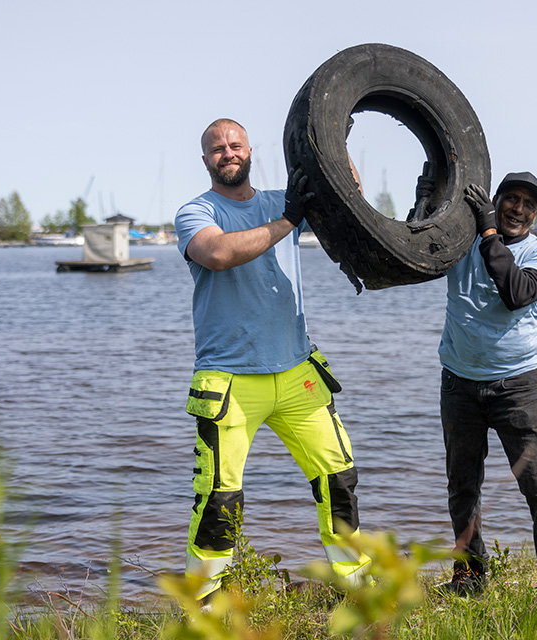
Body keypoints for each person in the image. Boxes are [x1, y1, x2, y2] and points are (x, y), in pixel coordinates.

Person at [174, 118, 371, 603]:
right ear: (206, 161)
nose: (227, 152)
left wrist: (333, 136)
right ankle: (203, 608)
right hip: (230, 382)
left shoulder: (281, 199)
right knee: (219, 501)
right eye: (217, 148)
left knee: (339, 481)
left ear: (249, 151)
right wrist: (288, 221)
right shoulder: (196, 212)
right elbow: (218, 253)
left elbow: (347, 192)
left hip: (299, 373)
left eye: (235, 144)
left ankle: (358, 590)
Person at [429, 171, 537, 596]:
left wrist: (488, 228)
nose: (520, 210)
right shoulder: (463, 244)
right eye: (511, 199)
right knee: (463, 488)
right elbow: (417, 253)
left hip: (517, 389)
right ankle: (470, 581)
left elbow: (515, 291)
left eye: (529, 205)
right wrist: (427, 199)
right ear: (496, 200)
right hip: (459, 385)